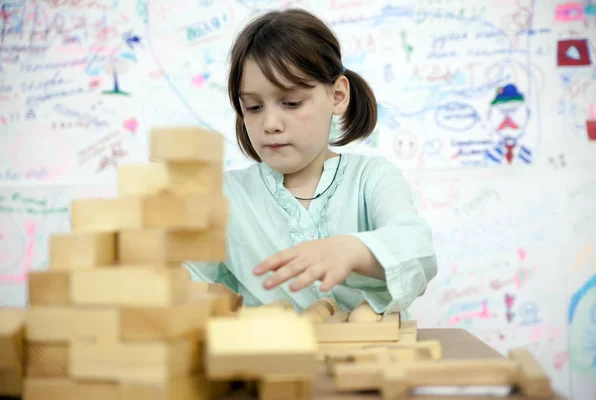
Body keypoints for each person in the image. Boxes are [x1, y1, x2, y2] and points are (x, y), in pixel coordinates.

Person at [184, 8, 437, 319]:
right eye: (253, 106)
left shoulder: (372, 178)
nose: (270, 123)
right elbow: (191, 277)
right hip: (275, 364)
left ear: (338, 95)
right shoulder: (224, 196)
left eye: (291, 103)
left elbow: (418, 250)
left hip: (369, 360)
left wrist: (351, 251)